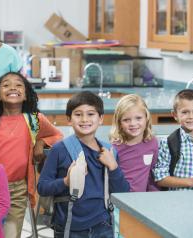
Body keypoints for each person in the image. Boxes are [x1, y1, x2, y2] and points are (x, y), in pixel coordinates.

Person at [0, 72, 63, 238]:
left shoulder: (35, 120)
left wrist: (41, 143)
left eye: (18, 84)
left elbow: (57, 136)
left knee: (10, 233)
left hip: (17, 190)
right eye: (6, 85)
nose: (13, 87)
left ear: (25, 95)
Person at [37, 91, 130, 238]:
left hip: (103, 225)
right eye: (78, 114)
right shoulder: (59, 150)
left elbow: (122, 192)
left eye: (91, 114)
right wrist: (65, 182)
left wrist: (113, 167)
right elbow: (42, 187)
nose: (84, 119)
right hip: (70, 226)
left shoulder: (110, 151)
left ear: (100, 119)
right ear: (69, 119)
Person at [110, 94, 159, 192]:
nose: (133, 124)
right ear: (119, 123)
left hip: (142, 200)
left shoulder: (152, 143)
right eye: (126, 120)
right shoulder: (114, 147)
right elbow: (111, 179)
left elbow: (152, 175)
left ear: (147, 118)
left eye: (138, 118)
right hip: (120, 200)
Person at [153, 89, 193, 190]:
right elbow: (160, 178)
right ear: (175, 115)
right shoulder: (168, 143)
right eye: (185, 112)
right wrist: (192, 181)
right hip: (177, 201)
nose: (191, 117)